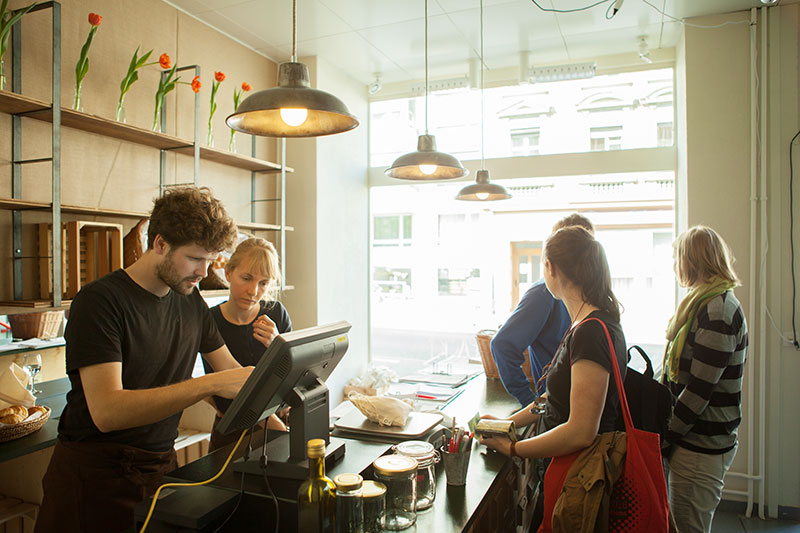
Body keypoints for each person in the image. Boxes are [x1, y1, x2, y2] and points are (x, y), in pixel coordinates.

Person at [35, 187, 254, 533]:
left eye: (210, 261)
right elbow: (108, 412)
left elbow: (231, 374)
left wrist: (280, 389)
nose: (203, 271)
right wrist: (208, 384)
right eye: (196, 258)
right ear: (161, 244)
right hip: (94, 481)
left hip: (159, 470)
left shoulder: (190, 301)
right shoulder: (100, 302)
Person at [480, 226, 627, 529]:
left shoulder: (591, 332)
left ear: (550, 267)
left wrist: (514, 448)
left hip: (581, 473)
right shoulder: (585, 324)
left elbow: (581, 431)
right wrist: (509, 424)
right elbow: (552, 399)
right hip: (569, 468)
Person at [662, 226, 747, 533]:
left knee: (689, 528)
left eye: (677, 258)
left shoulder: (717, 312)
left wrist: (665, 435)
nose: (674, 265)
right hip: (693, 440)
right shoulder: (701, 303)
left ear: (692, 261)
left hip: (700, 445)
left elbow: (699, 390)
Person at [491, 214, 595, 406]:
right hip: (556, 408)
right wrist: (532, 402)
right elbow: (502, 345)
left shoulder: (591, 300)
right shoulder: (543, 293)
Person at [202, 237, 293, 451]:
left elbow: (294, 377)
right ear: (227, 273)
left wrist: (277, 345)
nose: (253, 291)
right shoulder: (209, 320)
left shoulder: (276, 314)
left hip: (276, 425)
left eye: (263, 283)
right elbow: (184, 376)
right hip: (230, 434)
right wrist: (216, 404)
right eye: (246, 278)